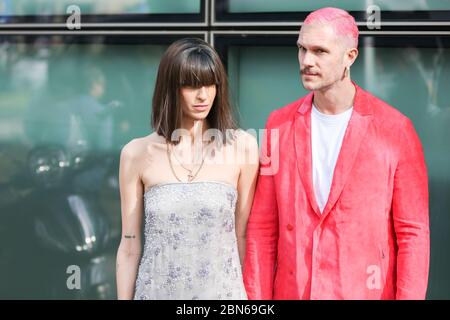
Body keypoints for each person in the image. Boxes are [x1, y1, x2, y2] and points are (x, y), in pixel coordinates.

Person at [243, 7, 430, 299]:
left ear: (350, 57)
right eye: (302, 49)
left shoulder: (395, 130)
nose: (306, 61)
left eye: (320, 51)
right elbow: (262, 229)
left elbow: (413, 234)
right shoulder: (278, 125)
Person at [116, 38, 259, 300]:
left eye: (209, 84)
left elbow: (244, 236)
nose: (203, 95)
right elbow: (129, 245)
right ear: (170, 88)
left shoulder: (243, 147)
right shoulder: (135, 153)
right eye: (191, 85)